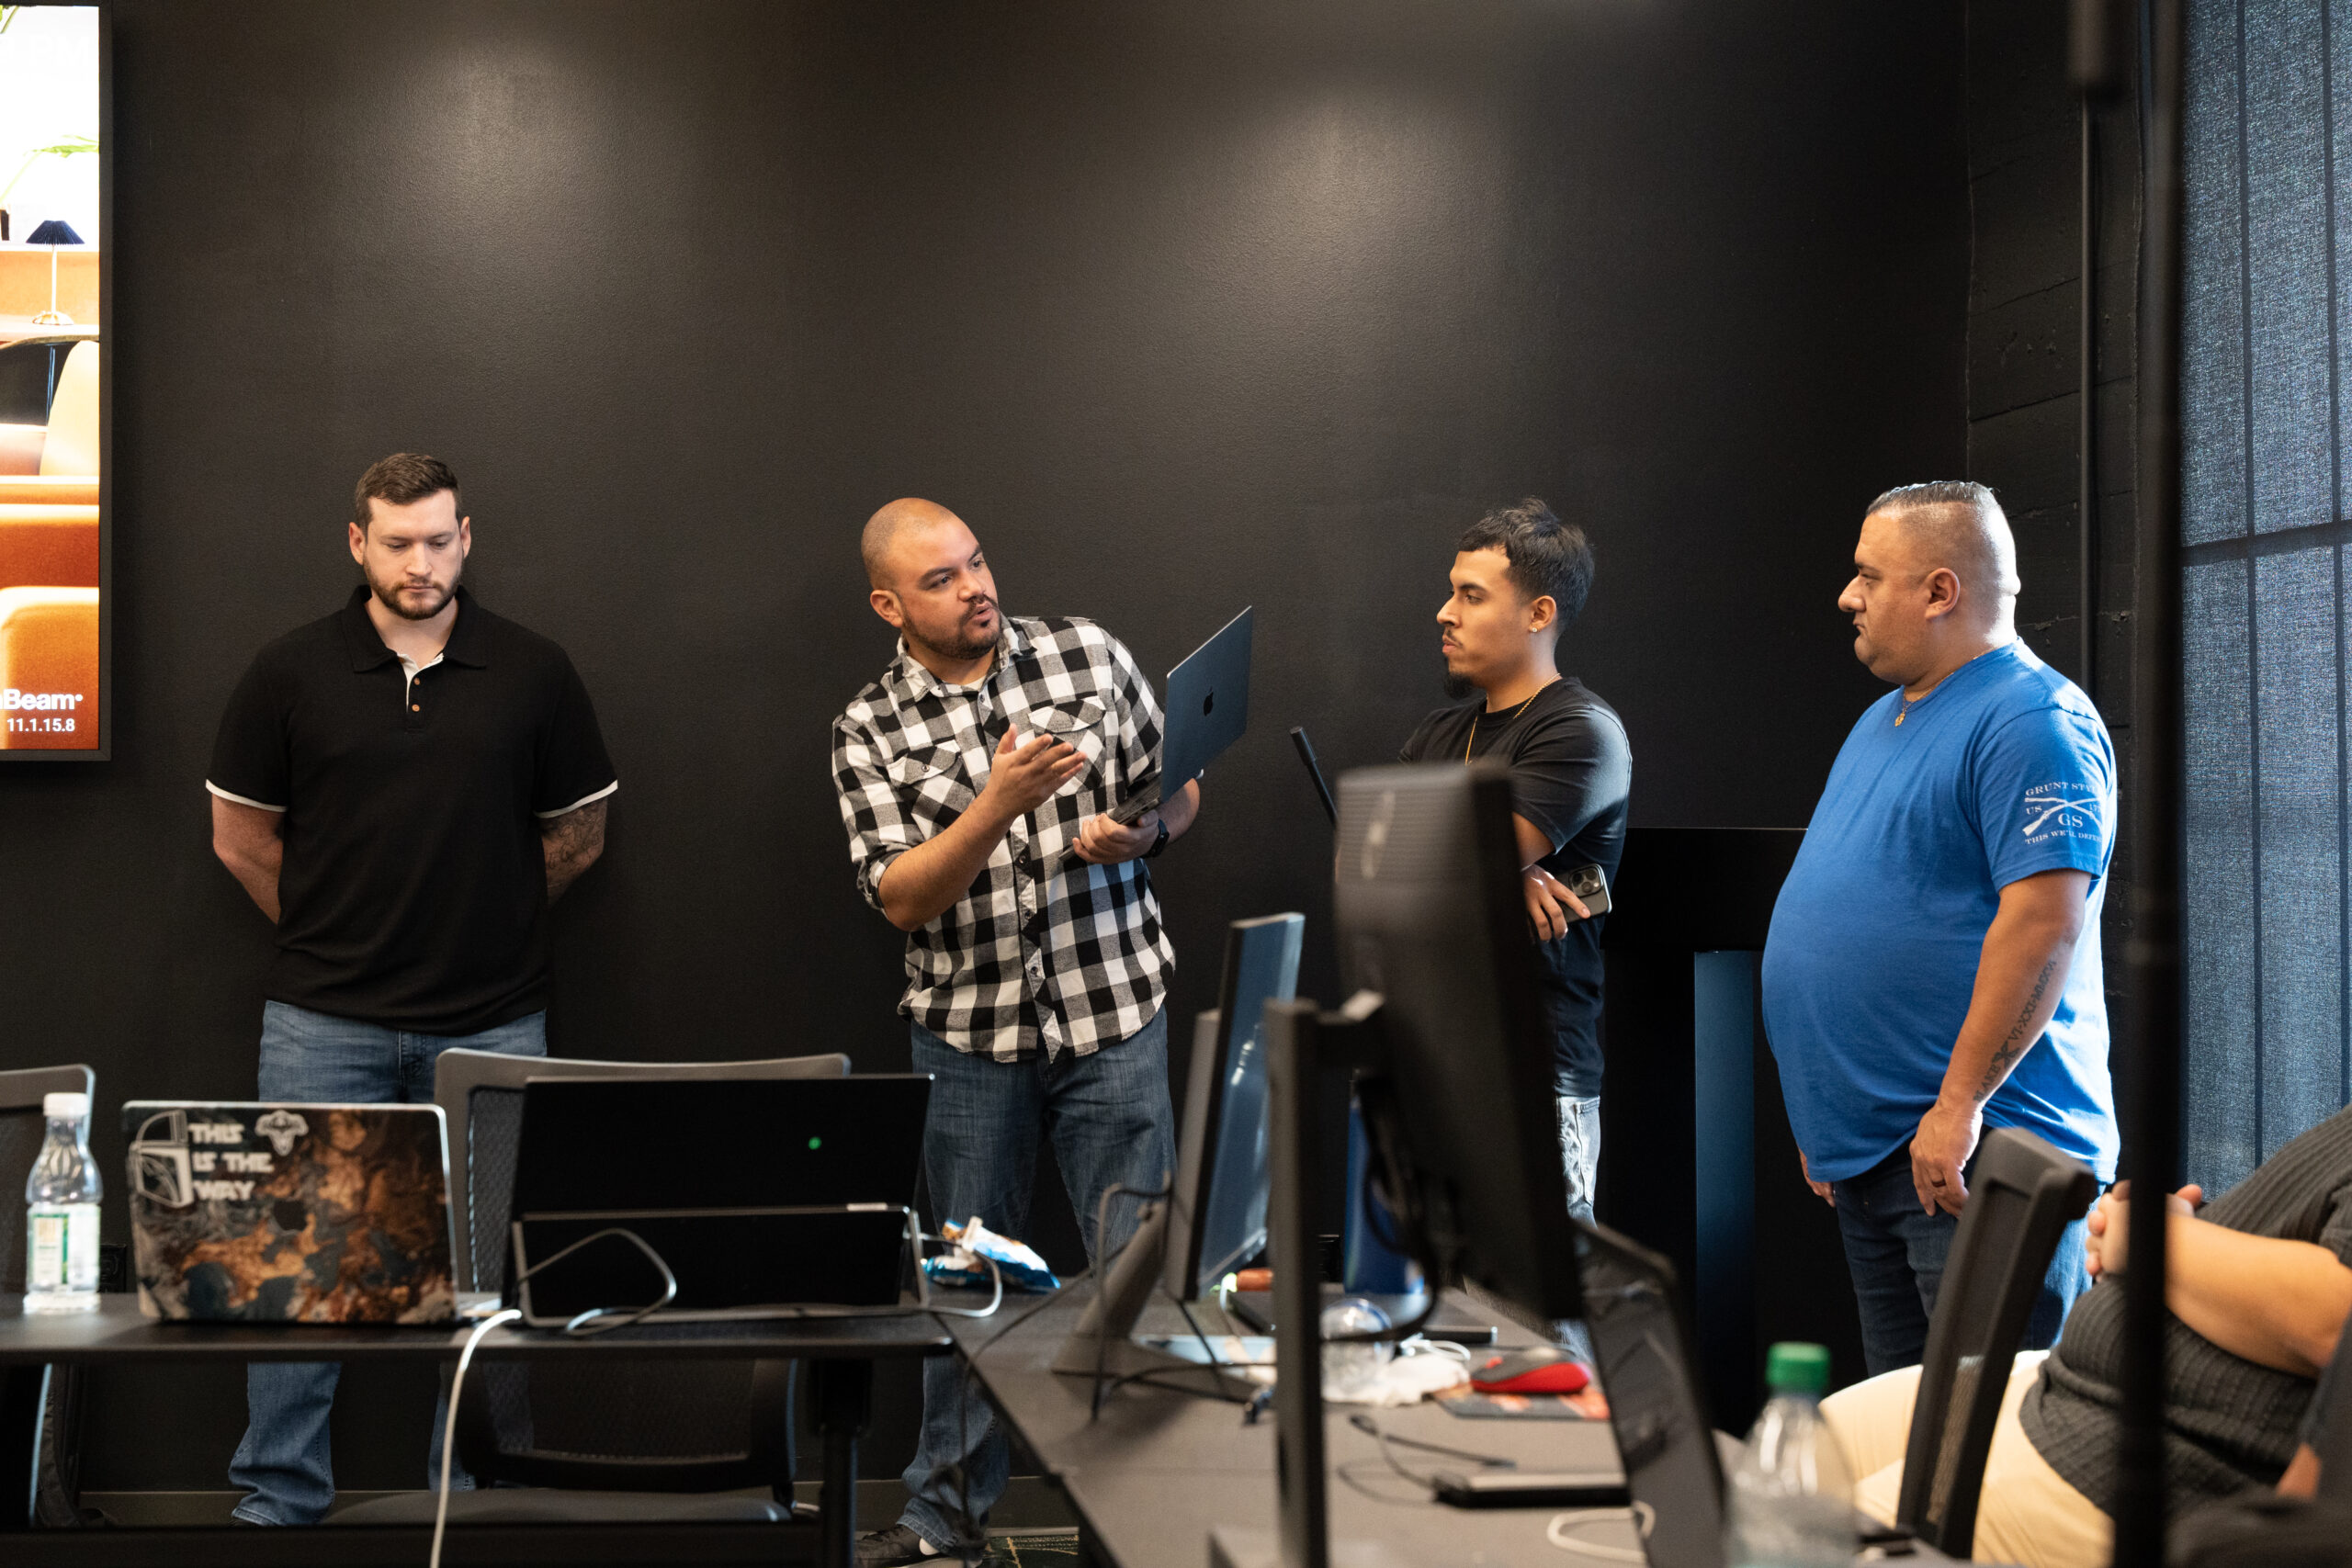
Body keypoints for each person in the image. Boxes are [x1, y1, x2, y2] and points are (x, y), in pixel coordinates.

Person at [205, 453, 616, 1526]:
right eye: (397, 542)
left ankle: (481, 1498)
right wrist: (346, 933)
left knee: (493, 1280)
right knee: (301, 1277)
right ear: (358, 543)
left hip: (493, 1021)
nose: (420, 562)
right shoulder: (289, 671)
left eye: (438, 540)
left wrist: (476, 923)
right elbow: (242, 839)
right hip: (320, 1021)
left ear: (466, 538)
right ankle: (277, 1498)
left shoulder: (533, 669)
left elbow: (577, 838)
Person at [831, 498, 1199, 1566]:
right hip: (968, 1039)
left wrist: (1141, 835)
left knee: (1136, 1280)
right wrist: (995, 803)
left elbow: (1181, 794)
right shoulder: (869, 726)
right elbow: (899, 897)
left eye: (977, 562)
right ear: (888, 604)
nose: (976, 586)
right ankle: (946, 1520)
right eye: (941, 580)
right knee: (970, 1292)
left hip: (1113, 1014)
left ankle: (1135, 1522)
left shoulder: (1086, 655)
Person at [1761, 480, 2117, 1375]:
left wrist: (1957, 1108)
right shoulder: (1888, 716)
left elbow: (2043, 927)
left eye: (1867, 576)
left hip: (1978, 1152)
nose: (1847, 595)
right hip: (1885, 1147)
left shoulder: (2033, 721)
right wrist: (1831, 1107)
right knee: (1908, 1442)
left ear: (1938, 590)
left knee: (1983, 1447)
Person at [1818, 1101, 2352, 1568]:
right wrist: (2192, 1230)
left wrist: (2147, 1244)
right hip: (2067, 1388)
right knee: (1801, 1456)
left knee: (1803, 1544)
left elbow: (2333, 1320)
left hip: (2128, 1457)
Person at [1397, 498, 1630, 1224]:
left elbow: (1423, 861)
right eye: (1450, 590)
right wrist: (1510, 868)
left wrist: (1486, 861)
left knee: (1539, 1329)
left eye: (1471, 595)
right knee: (1434, 1331)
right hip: (1431, 1071)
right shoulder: (1439, 732)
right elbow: (1365, 876)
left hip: (1531, 1078)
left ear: (1539, 613)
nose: (1446, 612)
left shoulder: (1582, 731)